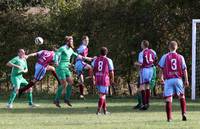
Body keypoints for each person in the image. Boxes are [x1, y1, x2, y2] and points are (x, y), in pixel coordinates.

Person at [54, 36, 92, 107]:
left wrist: (89, 58)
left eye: (72, 41)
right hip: (61, 67)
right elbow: (56, 54)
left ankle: (67, 99)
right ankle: (56, 100)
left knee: (71, 82)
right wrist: (56, 61)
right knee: (63, 84)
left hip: (66, 67)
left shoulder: (70, 50)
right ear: (67, 42)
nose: (72, 42)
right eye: (71, 41)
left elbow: (78, 56)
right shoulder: (62, 48)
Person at [158, 41, 189, 122]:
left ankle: (169, 118)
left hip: (168, 80)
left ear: (169, 47)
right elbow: (184, 70)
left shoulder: (165, 56)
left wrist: (161, 78)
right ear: (177, 47)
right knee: (182, 96)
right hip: (178, 79)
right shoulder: (180, 57)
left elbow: (161, 68)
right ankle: (184, 113)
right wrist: (186, 80)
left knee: (169, 98)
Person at [134, 40, 157, 110]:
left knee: (142, 87)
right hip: (151, 69)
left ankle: (144, 104)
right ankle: (147, 103)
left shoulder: (141, 53)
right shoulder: (153, 51)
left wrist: (136, 64)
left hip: (144, 70)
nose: (141, 45)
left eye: (141, 44)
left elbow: (141, 63)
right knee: (147, 87)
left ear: (143, 45)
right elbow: (155, 59)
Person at [92, 47, 114, 115]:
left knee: (102, 95)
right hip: (104, 79)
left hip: (97, 77)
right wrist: (112, 79)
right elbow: (111, 71)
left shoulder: (96, 60)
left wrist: (93, 77)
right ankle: (98, 111)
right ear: (106, 53)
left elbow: (92, 68)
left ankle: (105, 111)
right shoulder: (108, 60)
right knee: (102, 95)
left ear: (100, 52)